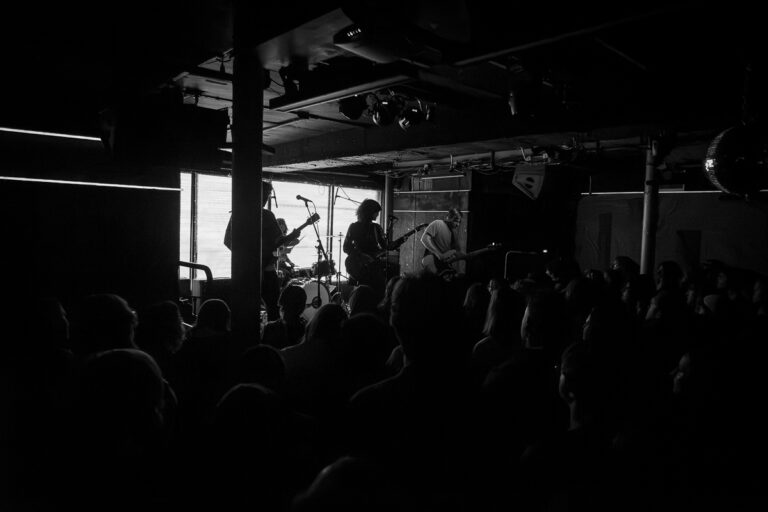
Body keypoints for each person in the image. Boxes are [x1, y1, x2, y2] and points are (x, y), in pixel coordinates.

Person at [224, 181, 299, 321]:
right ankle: (271, 331)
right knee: (273, 307)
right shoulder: (267, 216)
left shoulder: (239, 213)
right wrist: (291, 237)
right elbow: (278, 242)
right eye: (265, 195)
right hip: (266, 270)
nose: (266, 199)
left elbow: (228, 240)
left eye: (268, 195)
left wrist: (245, 259)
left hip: (245, 271)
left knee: (245, 308)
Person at [343, 199, 388, 294]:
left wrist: (400, 240)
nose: (377, 214)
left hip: (370, 266)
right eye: (376, 212)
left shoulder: (376, 227)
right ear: (370, 212)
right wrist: (362, 256)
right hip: (360, 267)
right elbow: (346, 247)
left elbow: (386, 247)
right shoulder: (354, 227)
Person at [419, 208, 465, 278]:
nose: (457, 224)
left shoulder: (453, 233)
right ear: (448, 217)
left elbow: (451, 253)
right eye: (456, 221)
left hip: (442, 266)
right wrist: (438, 254)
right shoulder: (438, 223)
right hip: (431, 260)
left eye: (459, 222)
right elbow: (424, 239)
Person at [276, 218, 298, 284]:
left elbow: (284, 255)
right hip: (276, 265)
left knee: (292, 272)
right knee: (287, 274)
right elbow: (274, 253)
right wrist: (283, 251)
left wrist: (290, 262)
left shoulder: (283, 239)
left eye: (283, 226)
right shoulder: (275, 239)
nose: (282, 229)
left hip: (281, 263)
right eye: (280, 227)